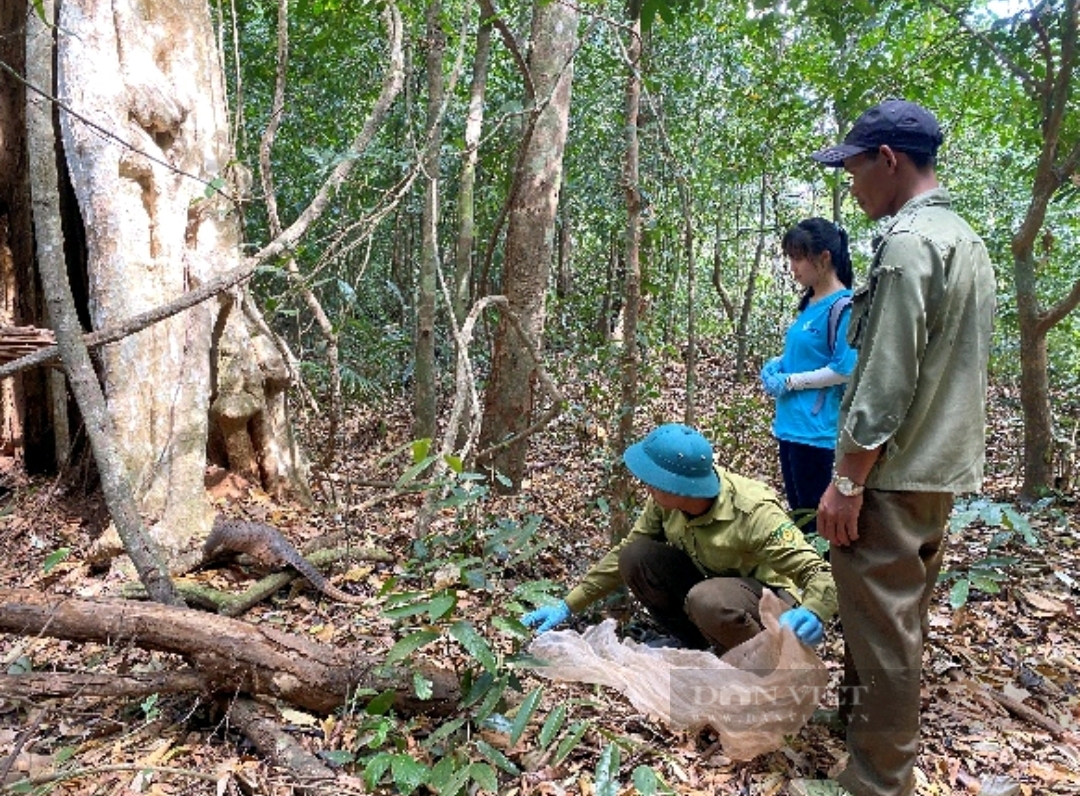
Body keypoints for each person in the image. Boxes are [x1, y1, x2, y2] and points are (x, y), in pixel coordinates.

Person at [791, 99, 996, 796]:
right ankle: (858, 733)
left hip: (893, 471)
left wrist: (847, 480)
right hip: (936, 467)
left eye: (853, 169)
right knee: (887, 619)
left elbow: (886, 375)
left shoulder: (909, 245)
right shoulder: (964, 237)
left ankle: (877, 781)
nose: (851, 186)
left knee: (884, 634)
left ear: (888, 159)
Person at [521, 423, 837, 655]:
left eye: (653, 481)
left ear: (679, 487)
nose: (646, 486)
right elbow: (624, 555)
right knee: (636, 556)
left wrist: (812, 611)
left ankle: (761, 665)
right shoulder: (664, 502)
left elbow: (819, 573)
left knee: (707, 599)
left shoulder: (753, 511)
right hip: (710, 587)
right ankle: (699, 647)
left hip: (762, 599)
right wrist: (568, 604)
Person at [760, 218, 857, 540]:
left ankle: (823, 587)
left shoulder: (844, 306)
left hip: (815, 433)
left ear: (824, 258)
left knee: (814, 524)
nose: (792, 267)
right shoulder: (811, 302)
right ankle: (806, 585)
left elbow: (844, 368)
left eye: (798, 258)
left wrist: (790, 382)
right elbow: (805, 354)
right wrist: (777, 365)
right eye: (790, 257)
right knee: (800, 516)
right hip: (790, 425)